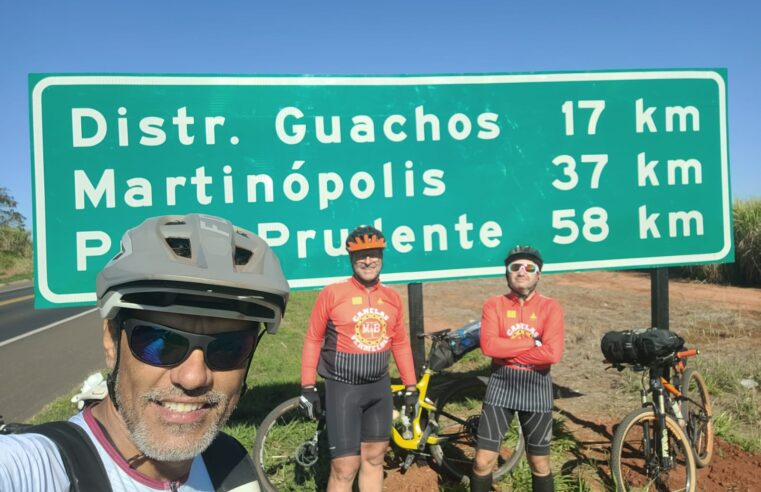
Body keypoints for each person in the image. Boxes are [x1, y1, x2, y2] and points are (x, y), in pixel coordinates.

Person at [0, 213, 289, 491]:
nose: (192, 377)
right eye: (160, 342)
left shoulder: (227, 461)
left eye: (228, 348)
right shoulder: (38, 465)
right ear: (112, 342)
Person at [299, 225, 418, 492]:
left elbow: (399, 342)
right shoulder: (332, 293)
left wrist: (411, 386)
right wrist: (307, 386)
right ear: (351, 259)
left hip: (379, 388)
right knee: (344, 467)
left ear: (382, 256)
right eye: (361, 255)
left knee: (375, 458)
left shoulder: (392, 297)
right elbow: (313, 339)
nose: (368, 260)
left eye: (374, 253)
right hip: (343, 388)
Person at [470, 245, 564, 492]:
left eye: (529, 267)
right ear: (507, 273)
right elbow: (489, 346)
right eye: (515, 267)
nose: (522, 272)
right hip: (501, 385)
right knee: (482, 462)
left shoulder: (551, 307)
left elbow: (552, 353)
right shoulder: (494, 305)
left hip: (537, 386)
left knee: (539, 462)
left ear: (538, 274)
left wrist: (508, 353)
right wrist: (533, 343)